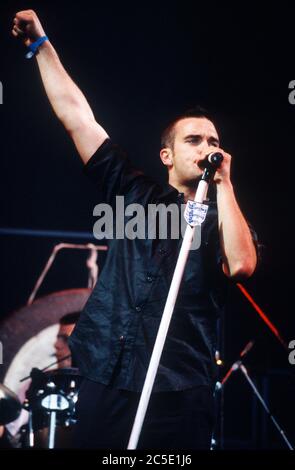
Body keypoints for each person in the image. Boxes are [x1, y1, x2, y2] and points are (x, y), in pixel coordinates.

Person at [12, 10, 258, 449]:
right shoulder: (133, 192)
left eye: (215, 142)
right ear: (167, 156)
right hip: (107, 375)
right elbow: (78, 118)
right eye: (195, 140)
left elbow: (241, 266)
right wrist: (41, 46)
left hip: (179, 388)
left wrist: (225, 185)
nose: (209, 148)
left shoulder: (225, 215)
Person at [0, 312, 80, 447]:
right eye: (58, 338)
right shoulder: (36, 383)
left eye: (65, 339)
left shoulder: (105, 389)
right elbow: (13, 435)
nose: (56, 345)